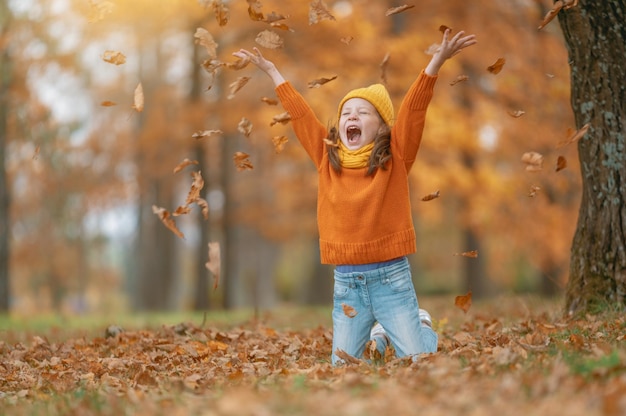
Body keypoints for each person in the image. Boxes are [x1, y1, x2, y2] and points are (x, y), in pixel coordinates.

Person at [233, 28, 477, 365]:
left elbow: (413, 111)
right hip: (348, 284)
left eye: (363, 113)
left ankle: (420, 327)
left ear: (380, 127)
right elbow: (302, 117)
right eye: (347, 112)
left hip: (392, 278)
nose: (352, 117)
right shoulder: (326, 157)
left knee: (416, 363)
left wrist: (436, 62)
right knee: (342, 367)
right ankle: (379, 337)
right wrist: (274, 72)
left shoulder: (396, 156)